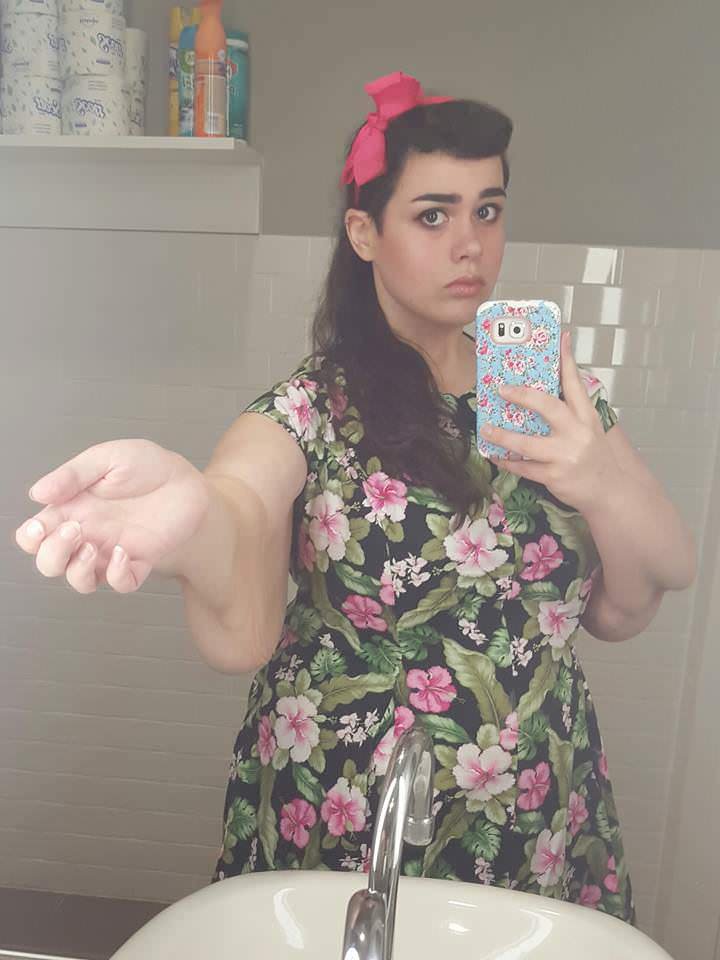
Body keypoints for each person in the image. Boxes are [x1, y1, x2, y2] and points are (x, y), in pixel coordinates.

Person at [14, 71, 696, 925]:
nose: (471, 245)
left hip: (536, 808)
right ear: (364, 232)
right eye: (433, 216)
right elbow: (242, 506)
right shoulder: (312, 407)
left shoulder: (556, 398)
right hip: (350, 811)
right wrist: (198, 520)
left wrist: (598, 477)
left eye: (488, 210)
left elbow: (646, 588)